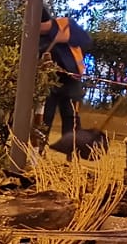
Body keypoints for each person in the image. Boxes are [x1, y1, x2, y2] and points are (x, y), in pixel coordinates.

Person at [38, 8, 93, 146]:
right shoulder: (36, 36)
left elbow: (86, 41)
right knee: (45, 117)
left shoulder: (65, 25)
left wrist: (67, 38)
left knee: (71, 118)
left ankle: (71, 151)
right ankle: (39, 149)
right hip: (48, 82)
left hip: (70, 81)